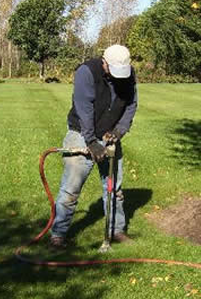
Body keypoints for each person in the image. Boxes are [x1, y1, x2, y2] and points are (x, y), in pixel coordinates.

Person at [50, 45, 138, 249]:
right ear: (104, 62)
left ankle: (116, 230)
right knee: (71, 189)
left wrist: (120, 130)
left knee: (114, 188)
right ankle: (58, 235)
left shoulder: (129, 73)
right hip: (81, 133)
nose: (119, 77)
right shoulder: (87, 72)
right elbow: (84, 108)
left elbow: (131, 103)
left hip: (110, 135)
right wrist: (90, 142)